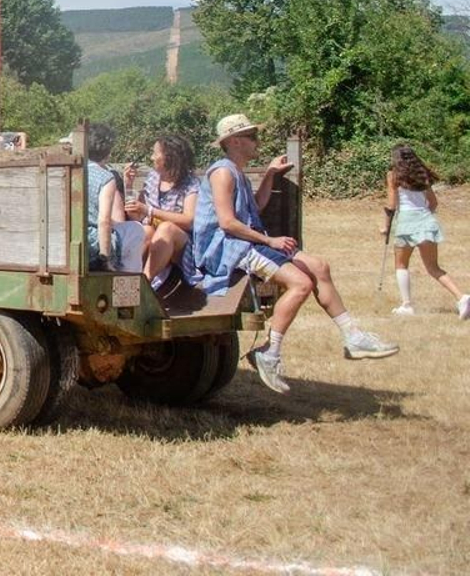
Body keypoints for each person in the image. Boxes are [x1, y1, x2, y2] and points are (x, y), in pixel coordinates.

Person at [190, 114, 397, 394]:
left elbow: (255, 208)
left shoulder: (236, 171)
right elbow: (227, 223)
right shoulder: (223, 172)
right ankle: (270, 352)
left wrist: (270, 175)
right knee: (301, 284)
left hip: (248, 241)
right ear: (235, 141)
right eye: (252, 136)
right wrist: (270, 240)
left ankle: (353, 336)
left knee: (320, 266)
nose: (257, 141)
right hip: (231, 247)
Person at [385, 144, 469, 319]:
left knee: (401, 264)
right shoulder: (421, 175)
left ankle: (407, 305)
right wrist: (424, 217)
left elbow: (391, 205)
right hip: (426, 220)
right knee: (433, 267)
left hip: (406, 222)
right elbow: (433, 203)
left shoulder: (393, 176)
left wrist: (385, 226)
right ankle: (462, 297)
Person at [126, 134, 198, 291]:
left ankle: (144, 284)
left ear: (169, 156)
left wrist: (150, 211)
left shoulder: (190, 183)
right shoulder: (152, 178)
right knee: (144, 230)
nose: (152, 157)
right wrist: (129, 185)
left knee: (166, 228)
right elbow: (137, 216)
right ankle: (127, 277)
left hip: (181, 244)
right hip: (155, 239)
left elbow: (189, 220)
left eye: (155, 153)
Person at [85, 124, 144, 273]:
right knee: (136, 229)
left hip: (64, 241)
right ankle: (128, 279)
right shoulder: (105, 178)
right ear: (108, 152)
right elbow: (104, 221)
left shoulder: (68, 171)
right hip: (91, 245)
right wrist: (105, 260)